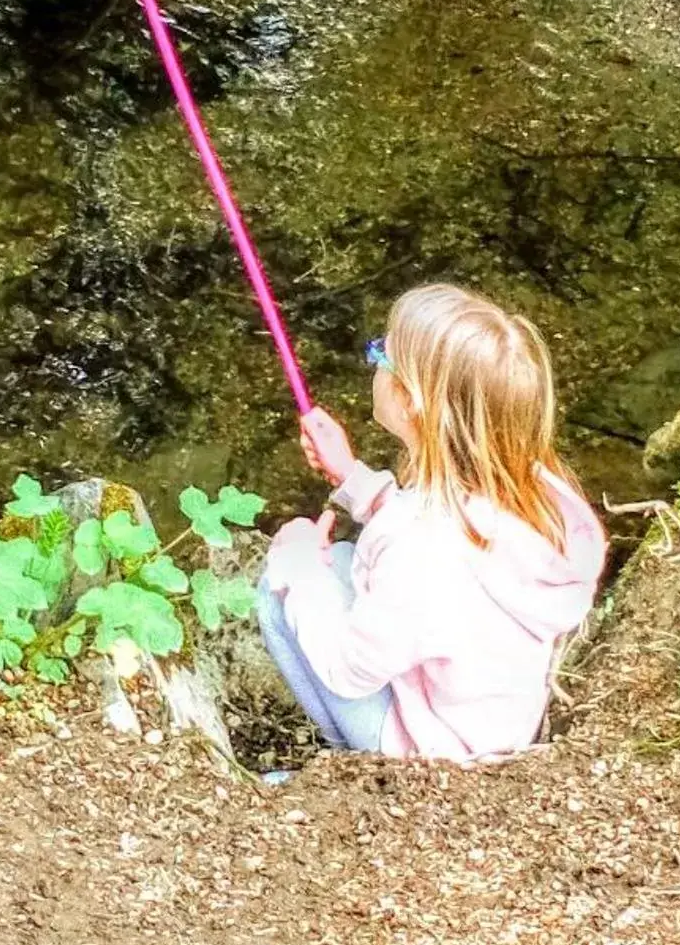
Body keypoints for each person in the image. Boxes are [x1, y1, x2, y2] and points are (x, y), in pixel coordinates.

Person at [255, 283, 605, 761]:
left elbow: (348, 670)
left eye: (383, 353)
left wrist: (296, 566)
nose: (374, 358)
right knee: (338, 560)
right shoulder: (530, 486)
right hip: (496, 721)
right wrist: (351, 479)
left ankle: (351, 766)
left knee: (282, 589)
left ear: (410, 402)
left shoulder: (421, 552)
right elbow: (435, 527)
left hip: (439, 753)